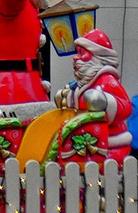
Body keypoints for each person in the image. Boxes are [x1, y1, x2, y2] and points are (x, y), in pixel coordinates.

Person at [52, 28, 133, 159]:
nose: (75, 58)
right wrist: (67, 98)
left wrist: (105, 101)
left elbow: (126, 106)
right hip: (83, 142)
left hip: (110, 142)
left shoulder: (107, 80)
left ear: (97, 56)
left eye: (81, 53)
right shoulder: (83, 84)